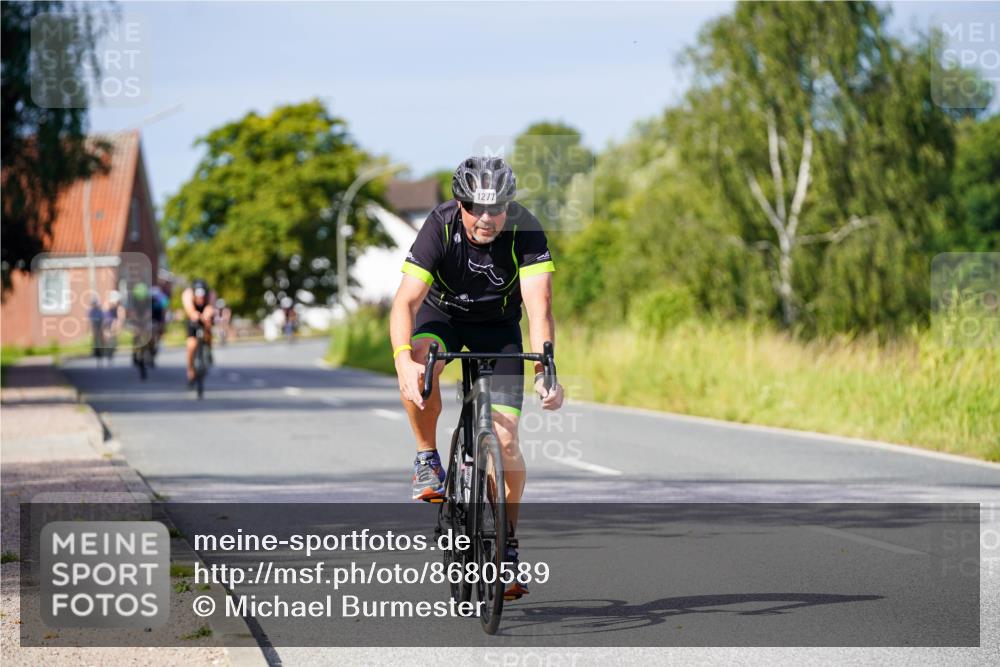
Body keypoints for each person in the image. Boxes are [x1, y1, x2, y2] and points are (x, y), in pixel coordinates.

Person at [389, 156, 564, 600]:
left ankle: (506, 545)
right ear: (460, 203)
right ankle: (427, 458)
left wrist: (546, 369)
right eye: (476, 208)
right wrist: (402, 361)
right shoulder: (440, 225)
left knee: (505, 442)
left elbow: (539, 306)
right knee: (421, 357)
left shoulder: (525, 230)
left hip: (498, 327)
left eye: (497, 207)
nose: (487, 218)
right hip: (442, 316)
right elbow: (405, 303)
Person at [181, 279, 215, 385]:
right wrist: (194, 314)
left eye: (202, 297)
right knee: (191, 344)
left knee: (208, 326)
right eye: (198, 297)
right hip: (193, 316)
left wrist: (207, 315)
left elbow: (210, 307)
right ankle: (191, 369)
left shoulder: (211, 294)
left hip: (205, 315)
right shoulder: (187, 294)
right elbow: (189, 309)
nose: (200, 299)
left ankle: (208, 349)